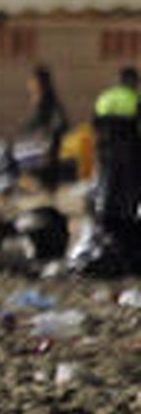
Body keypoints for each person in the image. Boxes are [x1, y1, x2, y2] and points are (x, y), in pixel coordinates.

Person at [88, 66, 141, 271]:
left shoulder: (104, 98)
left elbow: (94, 127)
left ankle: (106, 228)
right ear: (133, 82)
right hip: (130, 157)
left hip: (106, 155)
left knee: (106, 193)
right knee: (128, 200)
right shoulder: (134, 99)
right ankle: (126, 236)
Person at [16, 64, 70, 194]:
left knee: (43, 174)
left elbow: (60, 121)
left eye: (32, 81)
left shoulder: (48, 100)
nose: (29, 84)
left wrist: (48, 132)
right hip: (35, 144)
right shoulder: (38, 99)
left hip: (44, 146)